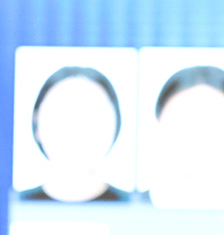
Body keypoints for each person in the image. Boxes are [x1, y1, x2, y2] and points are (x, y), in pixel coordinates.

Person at [20, 66, 129, 202]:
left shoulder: (132, 205)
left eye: (91, 115)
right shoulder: (14, 204)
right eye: (63, 114)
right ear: (36, 123)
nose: (76, 130)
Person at [147, 65, 224, 209]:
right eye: (184, 119)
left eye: (214, 120)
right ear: (160, 122)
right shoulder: (127, 207)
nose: (199, 135)